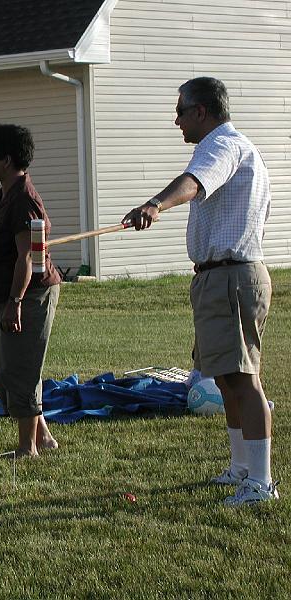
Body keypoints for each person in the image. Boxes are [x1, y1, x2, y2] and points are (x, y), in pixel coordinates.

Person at [122, 77, 277, 505]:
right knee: (226, 378)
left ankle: (260, 483)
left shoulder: (222, 146)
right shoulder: (233, 148)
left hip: (232, 277)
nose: (177, 121)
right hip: (219, 277)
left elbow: (193, 182)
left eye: (181, 112)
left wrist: (155, 204)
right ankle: (241, 468)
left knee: (244, 380)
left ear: (201, 111)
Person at [0, 124, 62, 458]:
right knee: (2, 376)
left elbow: (27, 257)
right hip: (1, 293)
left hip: (28, 295)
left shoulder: (25, 201)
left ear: (7, 160)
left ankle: (28, 448)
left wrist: (15, 302)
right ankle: (44, 437)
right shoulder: (3, 195)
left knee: (20, 370)